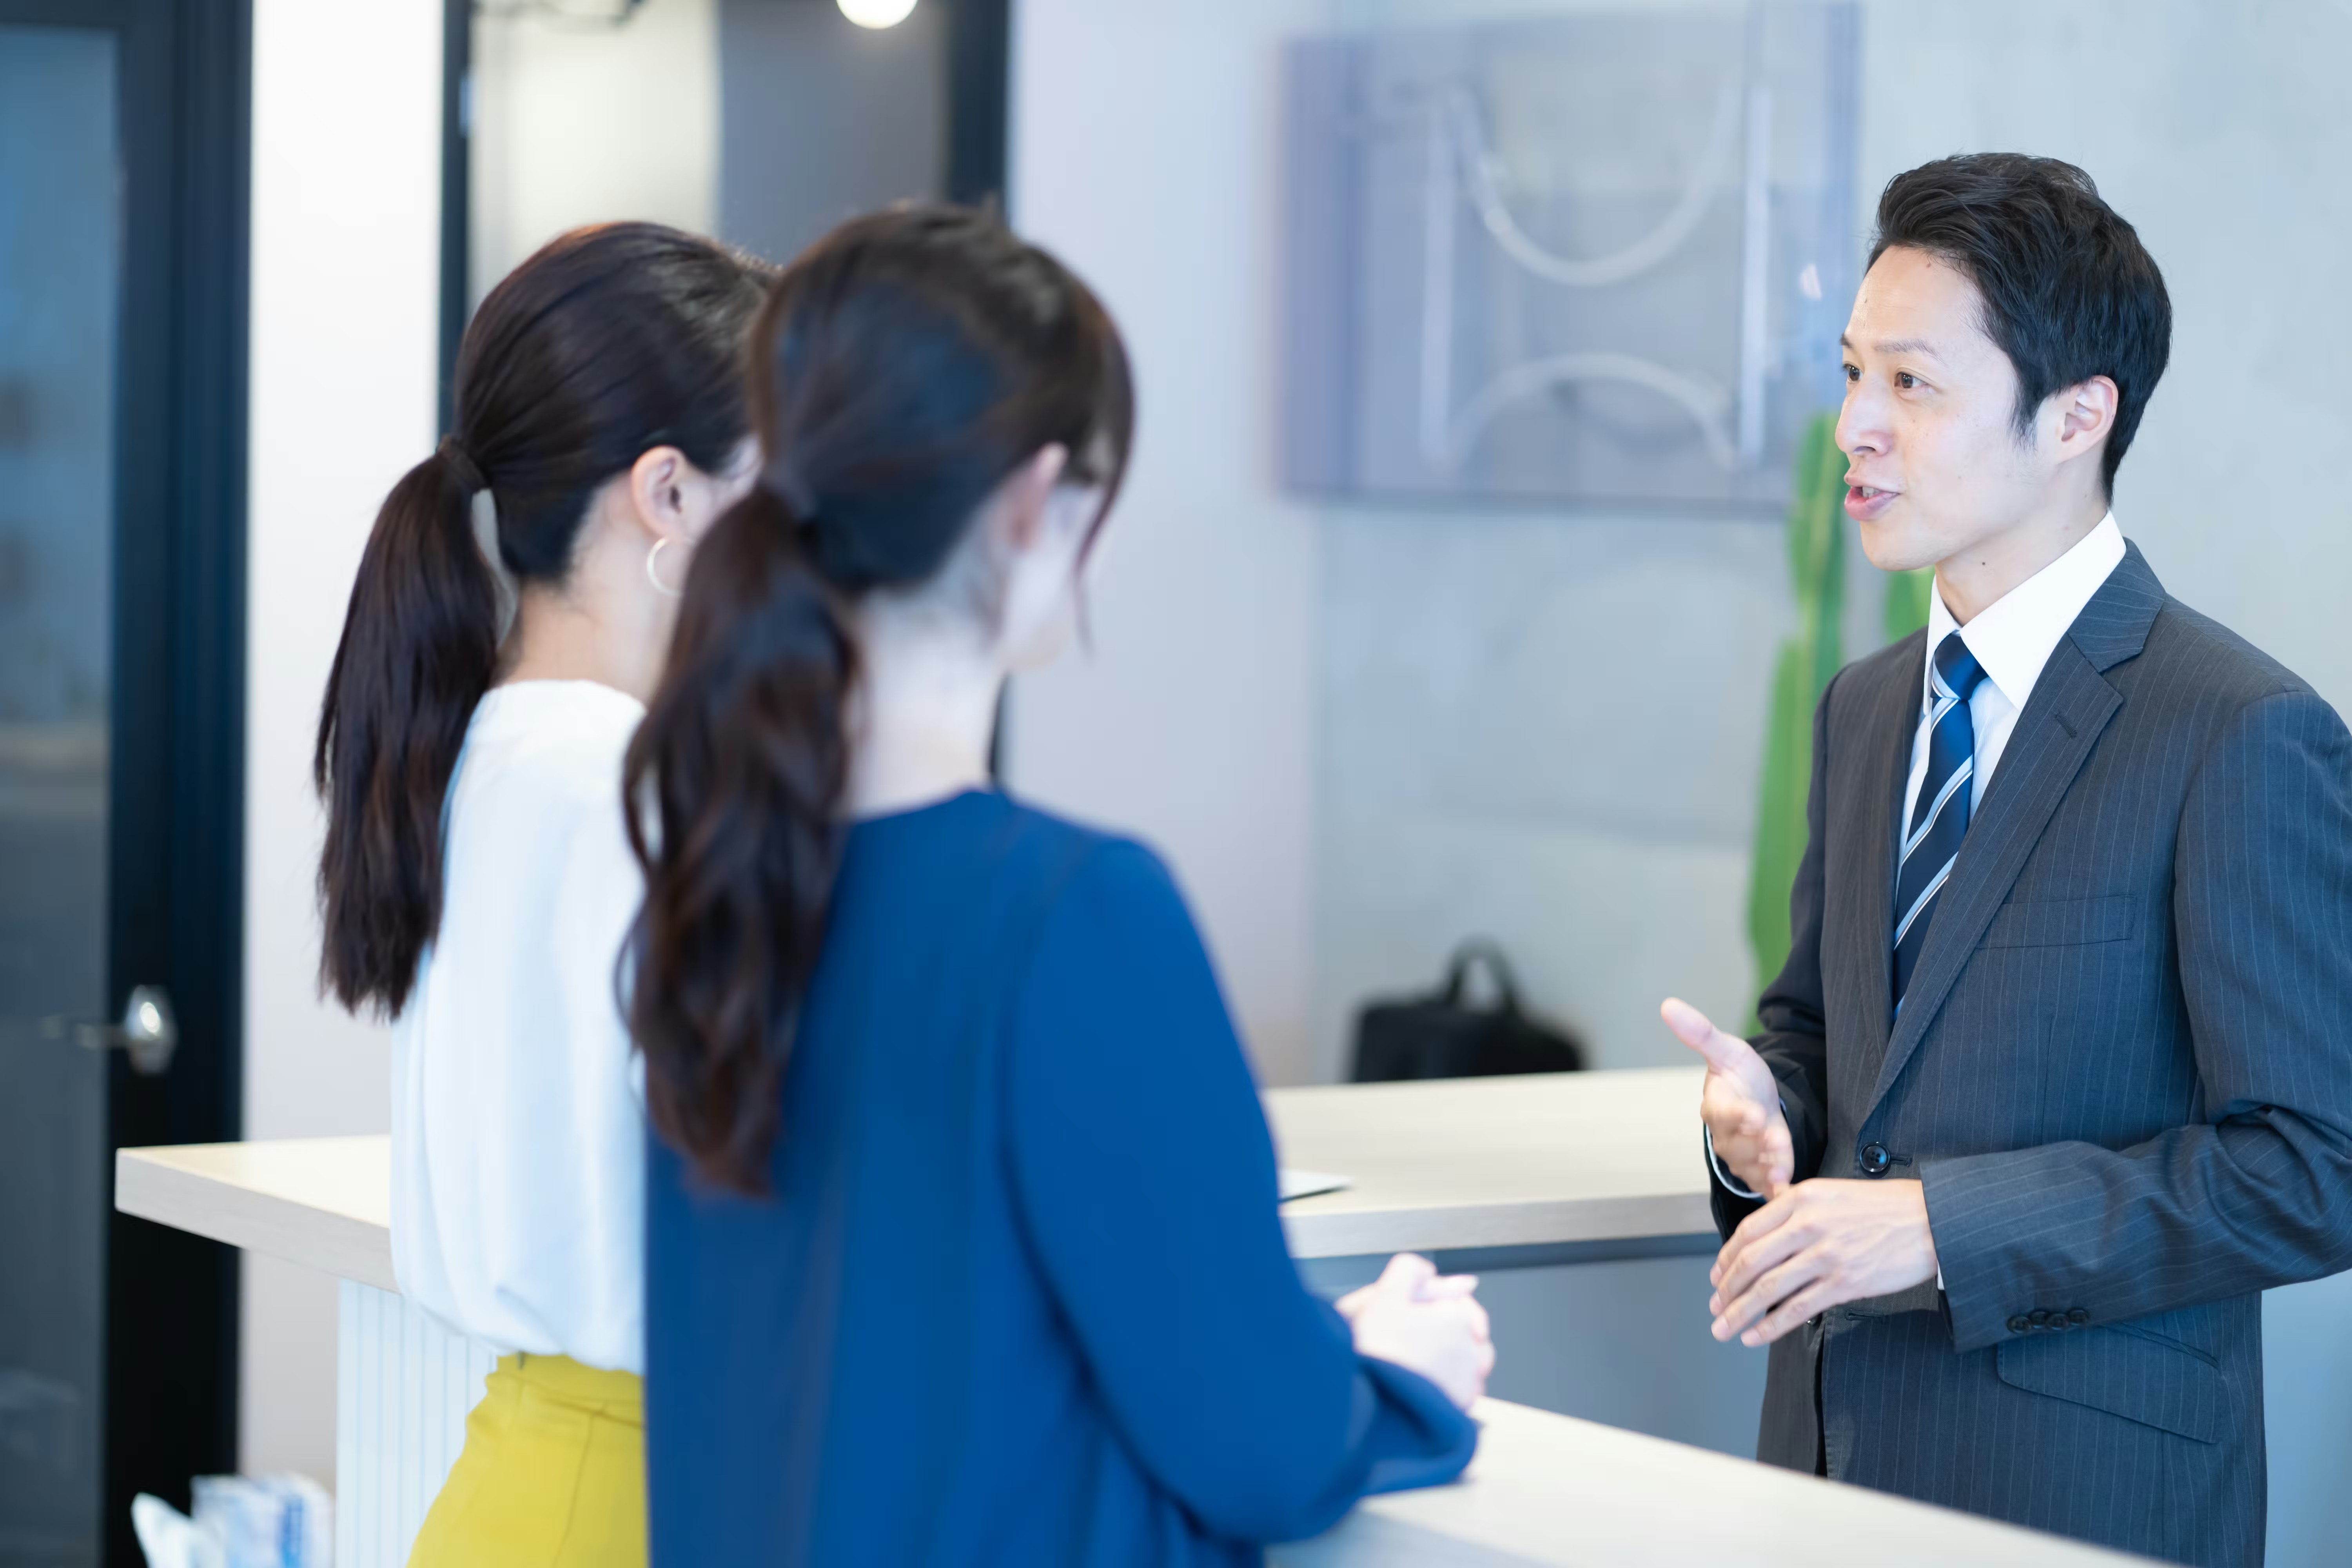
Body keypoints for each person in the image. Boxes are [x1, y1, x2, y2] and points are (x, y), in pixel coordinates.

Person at [624, 205, 1490, 1568]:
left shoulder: (717, 892)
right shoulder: (1072, 917)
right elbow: (1261, 1445)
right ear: (1038, 499)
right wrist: (1399, 1377)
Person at [1661, 152, 2352, 1568]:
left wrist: (1943, 1231)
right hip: (1822, 1474)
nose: (1854, 425)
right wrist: (1767, 1123)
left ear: (2075, 419)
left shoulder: (2239, 731)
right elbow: (1820, 1024)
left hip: (2083, 1503)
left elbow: (2313, 1168)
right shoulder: (1865, 706)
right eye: (1854, 373)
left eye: (1910, 385)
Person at [313, 221, 771, 1567]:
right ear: (670, 497)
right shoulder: (626, 790)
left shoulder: (491, 751)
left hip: (533, 1482)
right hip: (630, 1495)